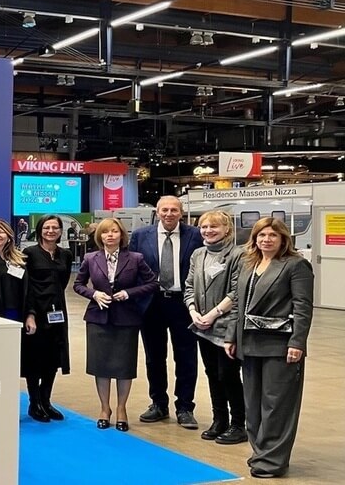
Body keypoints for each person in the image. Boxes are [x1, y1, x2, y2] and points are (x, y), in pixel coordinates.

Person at [224, 218, 314, 479]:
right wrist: (231, 337)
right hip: (249, 344)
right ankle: (260, 452)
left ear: (283, 238)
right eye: (261, 235)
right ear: (254, 238)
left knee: (276, 405)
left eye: (273, 235)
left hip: (280, 346)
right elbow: (238, 303)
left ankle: (272, 461)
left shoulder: (296, 265)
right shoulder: (248, 263)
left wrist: (297, 342)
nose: (266, 239)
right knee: (253, 405)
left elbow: (302, 307)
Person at [73, 217, 157, 432]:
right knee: (100, 366)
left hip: (126, 319)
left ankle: (121, 408)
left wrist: (129, 293)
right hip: (98, 319)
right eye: (105, 232)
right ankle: (104, 408)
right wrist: (94, 294)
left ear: (122, 235)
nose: (110, 235)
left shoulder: (135, 258)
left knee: (124, 366)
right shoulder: (90, 258)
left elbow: (152, 283)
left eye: (114, 231)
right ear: (99, 236)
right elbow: (78, 284)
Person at [130, 195, 204, 429]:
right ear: (157, 212)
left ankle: (185, 407)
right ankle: (158, 404)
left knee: (186, 357)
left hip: (184, 304)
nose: (169, 214)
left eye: (174, 210)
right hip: (151, 304)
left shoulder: (196, 235)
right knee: (154, 357)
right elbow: (132, 269)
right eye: (165, 210)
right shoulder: (140, 236)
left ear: (181, 213)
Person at [184, 210, 247, 445]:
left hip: (226, 327)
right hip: (202, 326)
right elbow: (189, 286)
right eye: (204, 227)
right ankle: (219, 419)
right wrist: (193, 311)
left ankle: (238, 424)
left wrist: (212, 314)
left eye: (214, 226)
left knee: (228, 375)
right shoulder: (198, 254)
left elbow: (236, 292)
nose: (208, 231)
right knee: (212, 374)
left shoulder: (239, 255)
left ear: (226, 229)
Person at [22, 215, 75, 422]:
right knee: (35, 358)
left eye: (55, 227)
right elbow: (26, 286)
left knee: (53, 357)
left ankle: (46, 400)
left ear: (61, 231)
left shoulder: (66, 255)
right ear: (39, 230)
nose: (50, 231)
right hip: (36, 312)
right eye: (46, 227)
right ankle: (34, 403)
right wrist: (30, 314)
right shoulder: (30, 253)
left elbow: (63, 282)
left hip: (57, 312)